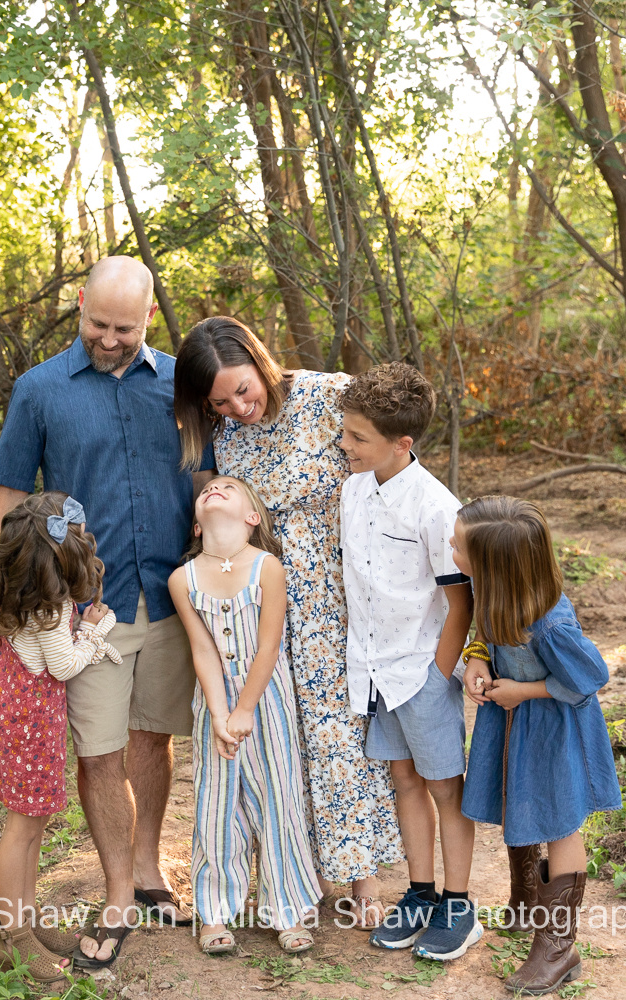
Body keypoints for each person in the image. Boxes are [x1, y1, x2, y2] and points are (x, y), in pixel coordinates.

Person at [0, 257, 213, 969]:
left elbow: (207, 473)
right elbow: (7, 490)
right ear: (80, 306)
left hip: (171, 593)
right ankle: (115, 892)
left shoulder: (180, 383)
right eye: (98, 325)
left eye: (126, 329)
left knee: (153, 740)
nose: (110, 340)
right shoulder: (40, 389)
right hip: (83, 610)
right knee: (101, 751)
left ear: (149, 320)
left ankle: (146, 871)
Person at [174, 317, 403, 928]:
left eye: (244, 390)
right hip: (261, 602)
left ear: (260, 360)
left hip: (338, 595)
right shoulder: (227, 436)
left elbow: (395, 471)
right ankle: (301, 872)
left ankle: (366, 877)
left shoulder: (331, 396)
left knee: (337, 731)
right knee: (284, 735)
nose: (238, 408)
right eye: (220, 401)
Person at [0, 492, 120, 985]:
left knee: (33, 825)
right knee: (22, 830)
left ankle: (27, 920)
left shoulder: (19, 590)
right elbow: (61, 665)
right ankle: (12, 937)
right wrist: (92, 631)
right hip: (30, 728)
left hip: (21, 720)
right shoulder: (49, 607)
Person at [338, 362, 480, 962]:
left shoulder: (435, 507)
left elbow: (460, 603)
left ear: (403, 443)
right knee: (403, 782)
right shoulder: (351, 487)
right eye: (344, 433)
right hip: (370, 668)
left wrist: (436, 675)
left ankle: (458, 902)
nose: (344, 446)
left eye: (356, 438)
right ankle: (420, 892)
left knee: (445, 788)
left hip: (420, 671)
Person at [455, 496, 621, 995]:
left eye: (459, 547)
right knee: (519, 797)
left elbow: (591, 677)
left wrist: (523, 690)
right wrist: (478, 657)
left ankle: (558, 945)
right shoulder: (494, 589)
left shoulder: (550, 625)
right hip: (516, 724)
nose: (449, 547)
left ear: (493, 564)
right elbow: (486, 628)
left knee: (559, 821)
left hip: (553, 729)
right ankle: (528, 902)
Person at [168, 476, 321, 954]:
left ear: (253, 518)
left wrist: (247, 708)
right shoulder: (183, 580)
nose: (216, 488)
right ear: (196, 524)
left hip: (266, 702)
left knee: (279, 800)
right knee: (216, 806)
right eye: (209, 488)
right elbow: (202, 650)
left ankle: (288, 908)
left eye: (229, 487)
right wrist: (219, 714)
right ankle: (215, 913)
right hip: (213, 706)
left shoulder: (267, 568)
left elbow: (270, 645)